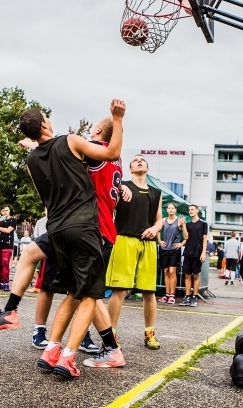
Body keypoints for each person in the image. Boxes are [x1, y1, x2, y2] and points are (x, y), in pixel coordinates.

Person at [0, 117, 121, 365]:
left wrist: (34, 147)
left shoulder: (88, 149)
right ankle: (20, 318)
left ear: (98, 130)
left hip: (89, 226)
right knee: (81, 291)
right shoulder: (92, 153)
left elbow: (63, 154)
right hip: (77, 225)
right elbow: (60, 153)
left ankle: (76, 348)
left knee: (85, 294)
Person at [19, 101, 125, 380]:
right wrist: (119, 119)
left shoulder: (43, 157)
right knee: (88, 295)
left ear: (100, 130)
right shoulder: (100, 155)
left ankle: (53, 349)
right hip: (91, 228)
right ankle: (68, 355)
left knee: (76, 294)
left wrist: (34, 148)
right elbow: (112, 152)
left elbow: (52, 156)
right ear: (43, 125)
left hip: (64, 228)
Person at [107, 154, 164, 350]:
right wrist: (119, 187)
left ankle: (149, 333)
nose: (140, 161)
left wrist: (156, 229)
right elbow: (108, 205)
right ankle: (110, 335)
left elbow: (159, 219)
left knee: (150, 292)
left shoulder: (156, 193)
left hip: (147, 244)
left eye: (143, 160)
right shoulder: (122, 186)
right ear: (130, 168)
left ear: (147, 168)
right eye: (135, 160)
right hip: (124, 239)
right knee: (120, 290)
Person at [179, 204, 207, 308]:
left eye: (192, 209)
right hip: (188, 252)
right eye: (189, 210)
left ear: (197, 210)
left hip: (197, 252)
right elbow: (186, 237)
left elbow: (204, 239)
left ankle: (194, 297)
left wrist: (203, 252)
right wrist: (184, 225)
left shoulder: (203, 224)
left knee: (196, 275)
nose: (190, 211)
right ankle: (187, 296)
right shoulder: (189, 224)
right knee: (187, 275)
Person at [157, 203, 184, 304]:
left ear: (175, 210)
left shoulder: (179, 221)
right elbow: (158, 230)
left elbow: (186, 235)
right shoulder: (163, 220)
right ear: (167, 210)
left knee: (172, 271)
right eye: (169, 208)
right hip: (164, 249)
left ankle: (172, 294)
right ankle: (167, 294)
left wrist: (181, 243)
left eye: (172, 208)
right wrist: (160, 241)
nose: (171, 210)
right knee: (166, 271)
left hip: (174, 250)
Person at [0, 205, 17, 291]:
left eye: (6, 210)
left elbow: (8, 230)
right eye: (3, 211)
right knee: (0, 264)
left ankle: (6, 283)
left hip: (7, 244)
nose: (5, 212)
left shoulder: (13, 220)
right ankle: (1, 282)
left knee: (5, 263)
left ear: (9, 211)